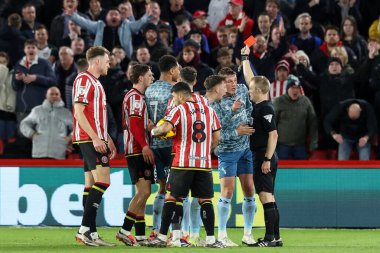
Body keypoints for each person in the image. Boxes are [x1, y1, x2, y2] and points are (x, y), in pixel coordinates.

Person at [148, 82, 224, 248]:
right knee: (205, 200)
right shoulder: (209, 111)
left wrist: (153, 130)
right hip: (203, 164)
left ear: (181, 96)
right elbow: (217, 137)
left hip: (183, 162)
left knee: (172, 197)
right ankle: (211, 239)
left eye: (174, 97)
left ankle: (161, 236)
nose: (174, 100)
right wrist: (205, 151)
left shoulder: (180, 109)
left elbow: (165, 128)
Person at [73, 46, 117, 247]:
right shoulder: (84, 79)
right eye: (107, 61)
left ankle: (90, 232)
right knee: (104, 181)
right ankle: (84, 230)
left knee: (91, 184)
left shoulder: (96, 83)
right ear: (97, 61)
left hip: (95, 137)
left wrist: (107, 136)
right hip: (89, 139)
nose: (110, 64)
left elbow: (95, 116)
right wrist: (96, 139)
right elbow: (79, 112)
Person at [241, 46, 282, 247]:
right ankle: (276, 237)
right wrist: (245, 58)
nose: (249, 91)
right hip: (262, 155)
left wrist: (266, 159)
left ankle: (269, 239)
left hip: (263, 155)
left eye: (251, 90)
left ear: (258, 91)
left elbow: (273, 134)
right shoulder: (261, 104)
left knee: (265, 196)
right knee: (269, 196)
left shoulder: (265, 108)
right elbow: (251, 78)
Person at [210, 67, 256, 246]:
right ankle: (221, 235)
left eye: (235, 80)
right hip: (227, 151)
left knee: (250, 190)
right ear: (221, 84)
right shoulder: (215, 102)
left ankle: (248, 234)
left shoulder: (243, 90)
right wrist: (237, 130)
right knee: (227, 191)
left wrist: (250, 122)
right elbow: (217, 133)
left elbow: (250, 109)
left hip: (245, 149)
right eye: (229, 81)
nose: (233, 84)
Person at [116, 64, 155, 246]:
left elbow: (138, 122)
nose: (152, 76)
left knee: (142, 193)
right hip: (137, 150)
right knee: (144, 192)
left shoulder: (136, 97)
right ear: (140, 78)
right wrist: (145, 145)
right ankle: (124, 231)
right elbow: (133, 124)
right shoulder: (135, 97)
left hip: (136, 148)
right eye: (149, 74)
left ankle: (139, 235)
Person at [145, 55, 180, 238]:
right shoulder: (174, 91)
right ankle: (175, 231)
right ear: (172, 70)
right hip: (172, 144)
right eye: (178, 69)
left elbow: (146, 119)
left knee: (161, 187)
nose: (179, 73)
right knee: (175, 190)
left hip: (154, 145)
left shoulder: (148, 90)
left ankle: (155, 229)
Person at [65, 5, 152, 58]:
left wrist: (147, 16)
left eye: (116, 14)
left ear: (120, 17)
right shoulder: (100, 25)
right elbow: (85, 23)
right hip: (101, 59)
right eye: (111, 14)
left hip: (123, 60)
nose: (114, 16)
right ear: (106, 17)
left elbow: (139, 23)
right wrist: (73, 15)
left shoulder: (127, 25)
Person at [20, 87, 72, 159]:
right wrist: (32, 134)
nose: (54, 96)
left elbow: (78, 128)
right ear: (46, 96)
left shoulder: (66, 113)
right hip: (39, 153)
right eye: (51, 94)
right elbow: (24, 124)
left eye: (57, 94)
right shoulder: (37, 110)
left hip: (58, 153)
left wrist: (69, 138)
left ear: (60, 96)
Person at [273, 75, 318, 160]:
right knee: (281, 171)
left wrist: (313, 141)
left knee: (302, 171)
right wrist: (272, 145)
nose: (295, 90)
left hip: (300, 145)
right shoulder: (279, 101)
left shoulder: (305, 101)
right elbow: (273, 124)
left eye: (297, 88)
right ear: (287, 89)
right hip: (282, 145)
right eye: (293, 87)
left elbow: (313, 123)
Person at [12, 39, 56, 123]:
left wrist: (36, 78)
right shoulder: (18, 64)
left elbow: (53, 81)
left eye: (33, 47)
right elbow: (15, 87)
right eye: (28, 47)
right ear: (24, 50)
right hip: (22, 109)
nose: (31, 49)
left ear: (37, 50)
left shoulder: (45, 63)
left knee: (40, 135)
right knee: (22, 135)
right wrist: (17, 80)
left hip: (40, 108)